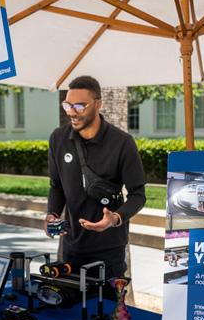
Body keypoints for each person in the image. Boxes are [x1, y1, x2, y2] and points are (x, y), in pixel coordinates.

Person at [45, 75, 146, 281]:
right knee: (71, 310)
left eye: (79, 106)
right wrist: (51, 215)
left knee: (109, 311)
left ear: (97, 104)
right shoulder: (58, 139)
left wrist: (114, 219)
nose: (72, 112)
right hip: (72, 248)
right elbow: (56, 186)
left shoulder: (122, 143)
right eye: (68, 105)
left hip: (109, 251)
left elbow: (138, 195)